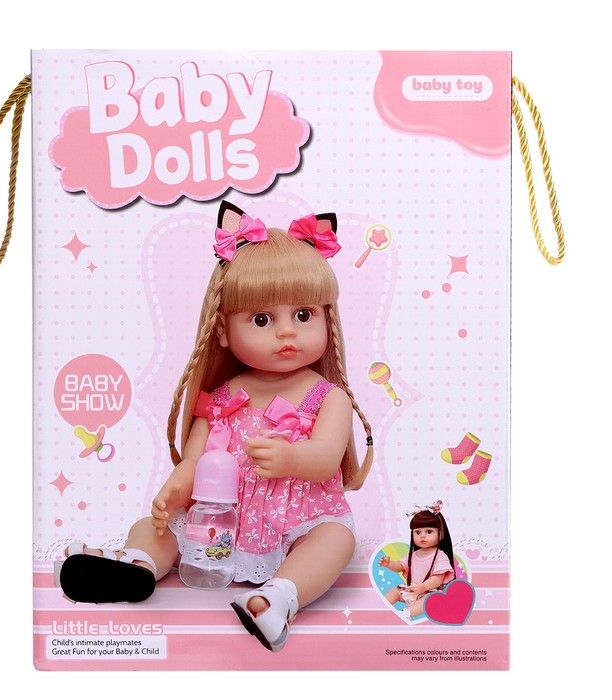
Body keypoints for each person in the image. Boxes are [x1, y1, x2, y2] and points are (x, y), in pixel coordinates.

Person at [59, 200, 374, 652]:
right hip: (219, 520)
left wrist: (292, 457)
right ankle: (137, 564)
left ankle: (277, 596)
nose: (287, 332)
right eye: (262, 319)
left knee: (336, 539)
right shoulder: (223, 396)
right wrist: (177, 487)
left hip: (297, 521)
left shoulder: (328, 397)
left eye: (303, 315)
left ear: (327, 318)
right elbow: (194, 458)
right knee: (160, 525)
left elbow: (326, 459)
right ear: (223, 331)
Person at [379, 500, 455, 620]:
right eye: (418, 532)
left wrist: (424, 587)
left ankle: (406, 613)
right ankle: (382, 607)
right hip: (412, 590)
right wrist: (389, 564)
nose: (422, 536)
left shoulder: (440, 556)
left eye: (429, 532)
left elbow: (438, 578)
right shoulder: (413, 555)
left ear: (441, 533)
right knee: (395, 591)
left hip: (429, 591)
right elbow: (400, 565)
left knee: (429, 599)